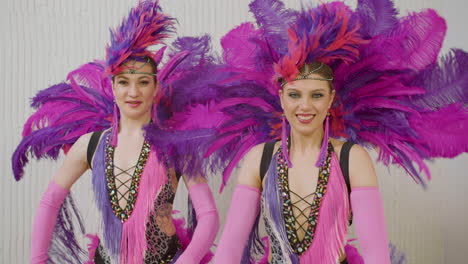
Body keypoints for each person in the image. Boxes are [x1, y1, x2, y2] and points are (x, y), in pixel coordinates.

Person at [160, 0, 467, 263]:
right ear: (281, 97)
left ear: (331, 99)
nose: (304, 106)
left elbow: (376, 254)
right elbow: (228, 251)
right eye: (295, 95)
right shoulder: (261, 159)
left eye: (316, 95)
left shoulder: (352, 158)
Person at [12, 1, 218, 263]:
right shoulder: (91, 145)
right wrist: (37, 260)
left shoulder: (175, 147)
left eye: (143, 82)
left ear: (156, 88)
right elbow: (49, 202)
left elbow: (209, 214)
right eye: (124, 82)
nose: (133, 92)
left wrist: (186, 261)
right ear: (113, 86)